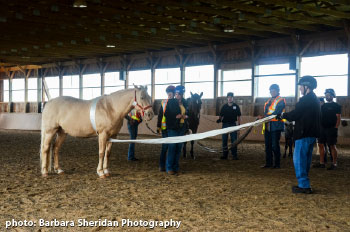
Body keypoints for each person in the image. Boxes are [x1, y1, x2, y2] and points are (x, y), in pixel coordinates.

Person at [279, 75, 320, 194]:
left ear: (307, 86)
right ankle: (304, 183)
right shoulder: (315, 100)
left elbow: (295, 114)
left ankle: (304, 185)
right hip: (311, 134)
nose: (300, 89)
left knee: (299, 160)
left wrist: (283, 115)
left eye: (301, 86)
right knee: (305, 160)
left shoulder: (305, 100)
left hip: (303, 134)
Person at [313, 88, 341, 170]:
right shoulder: (323, 106)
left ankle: (334, 163)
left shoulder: (337, 106)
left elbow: (338, 118)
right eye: (326, 95)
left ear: (333, 96)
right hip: (322, 128)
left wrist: (336, 127)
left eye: (329, 95)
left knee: (332, 145)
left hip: (331, 128)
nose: (327, 96)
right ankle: (322, 163)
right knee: (321, 144)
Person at [164, 85, 188, 175]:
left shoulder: (185, 103)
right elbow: (166, 114)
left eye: (179, 94)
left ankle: (176, 167)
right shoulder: (171, 102)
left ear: (182, 95)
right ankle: (169, 167)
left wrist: (186, 116)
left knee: (178, 148)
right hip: (173, 128)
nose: (177, 96)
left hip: (182, 128)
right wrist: (175, 116)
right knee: (172, 148)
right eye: (176, 94)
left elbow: (188, 112)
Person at [260, 84, 286, 168]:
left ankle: (277, 164)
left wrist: (264, 117)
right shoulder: (268, 101)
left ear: (278, 91)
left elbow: (277, 113)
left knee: (275, 145)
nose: (272, 92)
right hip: (267, 125)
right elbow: (266, 112)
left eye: (274, 90)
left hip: (276, 125)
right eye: (271, 90)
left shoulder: (281, 100)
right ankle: (268, 163)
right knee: (267, 145)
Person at [216, 92, 241, 160]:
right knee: (224, 140)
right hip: (225, 125)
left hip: (233, 125)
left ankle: (234, 155)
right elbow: (221, 115)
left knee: (234, 141)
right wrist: (219, 119)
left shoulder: (236, 106)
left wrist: (239, 125)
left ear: (233, 98)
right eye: (229, 97)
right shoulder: (224, 107)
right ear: (227, 98)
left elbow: (239, 116)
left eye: (231, 97)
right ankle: (225, 155)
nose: (230, 98)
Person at [157, 85, 175, 172]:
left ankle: (168, 165)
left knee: (171, 148)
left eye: (170, 93)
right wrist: (158, 126)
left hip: (172, 128)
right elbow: (160, 115)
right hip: (165, 128)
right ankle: (161, 165)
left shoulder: (176, 102)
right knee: (164, 148)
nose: (169, 94)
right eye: (168, 93)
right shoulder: (163, 102)